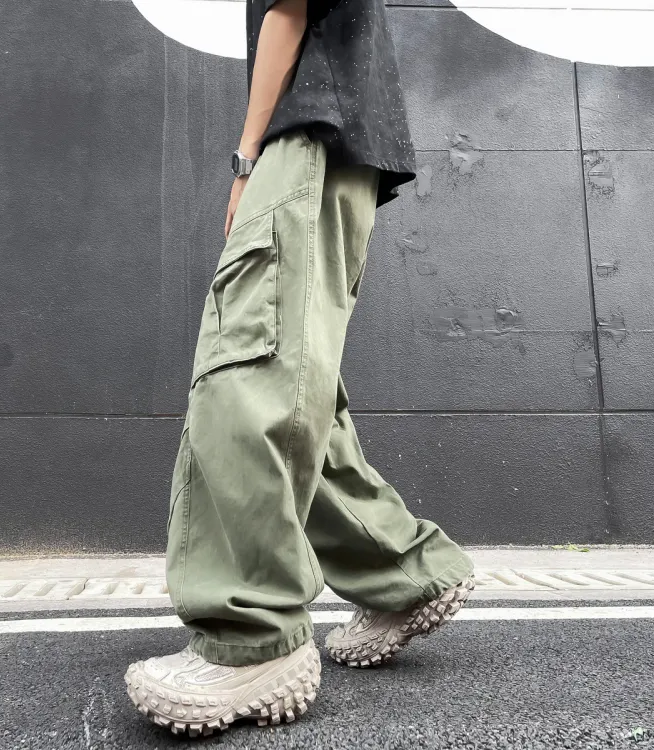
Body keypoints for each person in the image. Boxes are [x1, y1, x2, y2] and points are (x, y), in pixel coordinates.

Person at [124, 0, 475, 737]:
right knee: (298, 388)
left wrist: (246, 161)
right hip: (342, 148)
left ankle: (252, 638)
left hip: (306, 138)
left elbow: (286, 10)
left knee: (246, 378)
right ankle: (405, 572)